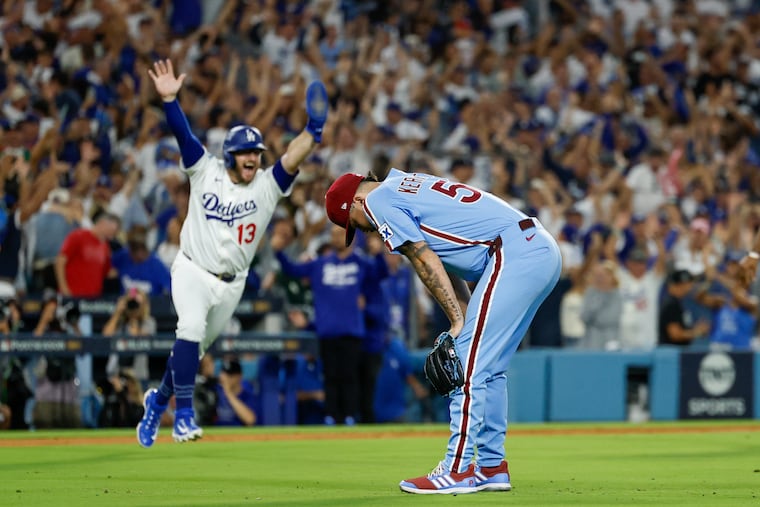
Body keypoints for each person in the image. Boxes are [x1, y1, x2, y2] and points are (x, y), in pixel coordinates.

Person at [324, 169, 562, 494]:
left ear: (355, 203)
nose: (366, 232)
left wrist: (456, 323)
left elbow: (423, 260)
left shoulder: (377, 200)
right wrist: (461, 314)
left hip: (512, 253)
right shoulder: (402, 184)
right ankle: (492, 467)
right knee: (489, 368)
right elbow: (445, 260)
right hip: (533, 249)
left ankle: (457, 470)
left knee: (465, 365)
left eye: (355, 224)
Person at [136, 59, 327, 447]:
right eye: (245, 152)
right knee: (188, 330)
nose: (253, 158)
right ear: (230, 155)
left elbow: (291, 157)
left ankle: (157, 403)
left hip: (231, 285)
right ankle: (184, 417)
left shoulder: (267, 187)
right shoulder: (204, 171)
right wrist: (171, 101)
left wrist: (314, 130)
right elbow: (183, 135)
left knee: (189, 351)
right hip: (191, 270)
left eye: (256, 152)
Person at [214, 357, 257, 426]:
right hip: (215, 435)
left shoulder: (247, 395)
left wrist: (228, 393)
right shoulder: (215, 392)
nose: (226, 378)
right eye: (224, 374)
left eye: (230, 375)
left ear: (239, 376)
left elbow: (250, 420)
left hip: (237, 435)